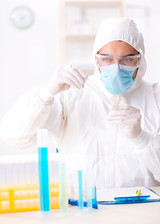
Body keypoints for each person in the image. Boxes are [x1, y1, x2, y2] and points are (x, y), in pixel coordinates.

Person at [0, 18, 160, 188]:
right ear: (96, 59)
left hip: (141, 208)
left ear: (140, 59)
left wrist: (140, 138)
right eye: (106, 59)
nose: (116, 68)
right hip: (82, 208)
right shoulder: (72, 95)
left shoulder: (155, 97)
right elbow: (13, 136)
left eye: (128, 59)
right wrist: (46, 93)